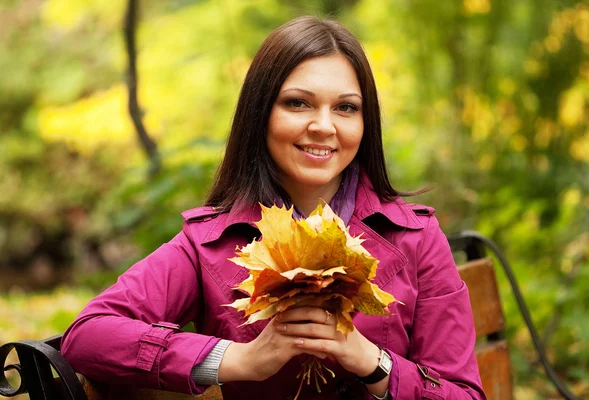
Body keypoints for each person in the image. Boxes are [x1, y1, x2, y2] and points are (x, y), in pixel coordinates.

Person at [61, 16, 486, 400]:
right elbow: (89, 334)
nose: (323, 125)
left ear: (364, 123)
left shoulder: (414, 238)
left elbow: (462, 393)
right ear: (260, 113)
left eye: (346, 107)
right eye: (297, 103)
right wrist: (237, 360)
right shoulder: (210, 244)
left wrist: (373, 362)